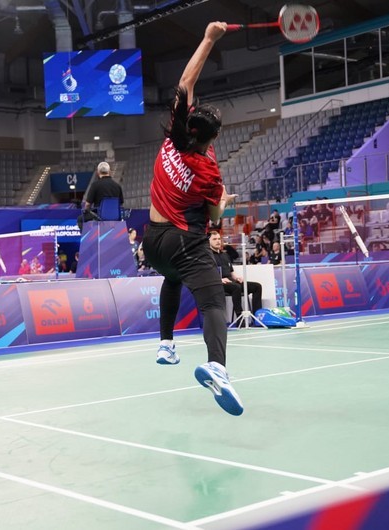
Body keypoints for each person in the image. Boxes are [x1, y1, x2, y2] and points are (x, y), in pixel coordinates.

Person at [141, 22, 243, 416]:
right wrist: (223, 201)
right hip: (183, 241)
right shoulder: (208, 171)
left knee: (171, 277)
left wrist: (208, 38)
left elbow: (186, 81)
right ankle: (217, 367)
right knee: (213, 302)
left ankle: (166, 344)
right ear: (212, 138)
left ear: (189, 124)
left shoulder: (173, 137)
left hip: (153, 242)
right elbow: (215, 216)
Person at [210, 232, 262, 320]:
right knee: (236, 287)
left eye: (219, 239)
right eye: (214, 239)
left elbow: (231, 272)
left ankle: (258, 317)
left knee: (257, 286)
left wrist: (237, 277)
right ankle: (240, 318)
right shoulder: (208, 256)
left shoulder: (225, 255)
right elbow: (207, 273)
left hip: (231, 281)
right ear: (209, 241)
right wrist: (220, 279)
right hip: (218, 283)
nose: (218, 241)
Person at [77, 162, 124, 228]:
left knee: (80, 219)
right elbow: (121, 203)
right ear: (109, 172)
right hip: (115, 216)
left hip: (99, 216)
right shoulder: (117, 186)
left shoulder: (95, 185)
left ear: (98, 172)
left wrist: (86, 211)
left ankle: (88, 235)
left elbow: (87, 204)